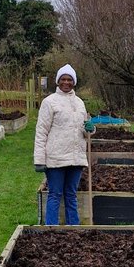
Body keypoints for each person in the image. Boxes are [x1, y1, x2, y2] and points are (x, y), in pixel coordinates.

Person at [33, 64, 94, 225]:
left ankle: (73, 229)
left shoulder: (80, 102)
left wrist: (90, 128)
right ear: (58, 82)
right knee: (55, 194)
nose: (66, 82)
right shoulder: (49, 102)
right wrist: (39, 159)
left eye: (69, 79)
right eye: (63, 79)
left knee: (71, 195)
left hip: (76, 157)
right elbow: (41, 131)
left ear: (74, 82)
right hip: (56, 157)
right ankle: (51, 230)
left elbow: (83, 130)